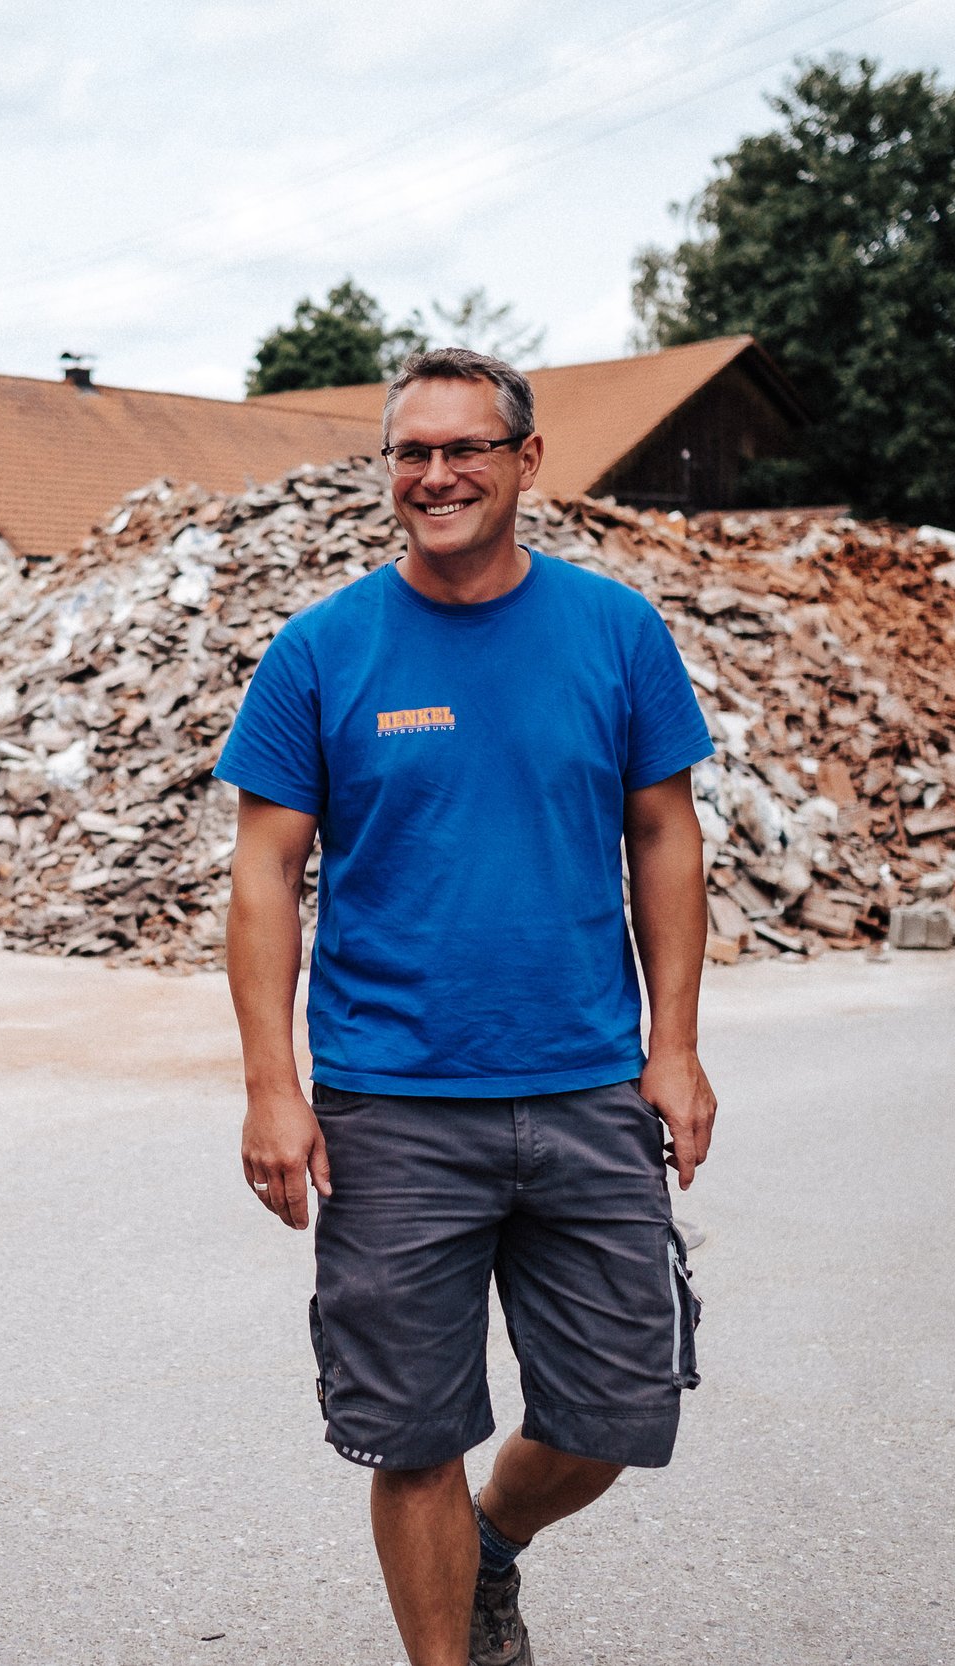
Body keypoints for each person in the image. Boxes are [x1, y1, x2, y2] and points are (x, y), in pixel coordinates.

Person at [217, 347, 718, 1666]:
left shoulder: (613, 631)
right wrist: (273, 1083)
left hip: (587, 1085)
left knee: (619, 1407)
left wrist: (676, 1046)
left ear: (525, 462)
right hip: (391, 1105)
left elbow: (665, 834)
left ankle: (495, 1537)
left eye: (465, 448)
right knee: (410, 1430)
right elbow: (265, 871)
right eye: (410, 452)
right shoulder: (323, 651)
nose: (435, 475)